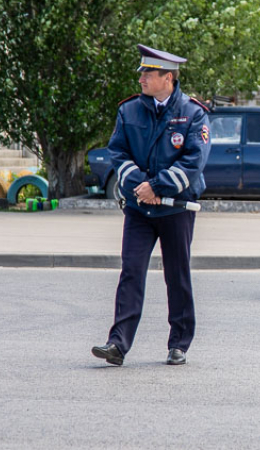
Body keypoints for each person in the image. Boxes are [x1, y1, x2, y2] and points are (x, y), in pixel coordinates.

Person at [92, 44, 211, 366]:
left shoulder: (193, 113)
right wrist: (141, 188)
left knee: (177, 276)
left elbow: (194, 161)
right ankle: (117, 344)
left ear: (167, 78)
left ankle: (179, 344)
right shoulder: (129, 110)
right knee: (131, 272)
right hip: (139, 210)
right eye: (142, 72)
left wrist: (158, 186)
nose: (141, 78)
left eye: (148, 72)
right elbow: (118, 153)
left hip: (175, 209)